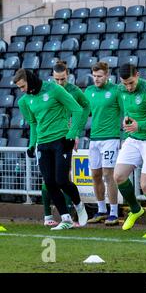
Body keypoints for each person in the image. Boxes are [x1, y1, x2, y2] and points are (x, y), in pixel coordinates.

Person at [15, 68, 88, 230]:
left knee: (61, 180)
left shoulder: (55, 89)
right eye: (19, 88)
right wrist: (31, 144)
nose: (22, 90)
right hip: (43, 143)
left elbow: (77, 109)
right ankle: (65, 218)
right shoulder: (24, 101)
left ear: (31, 80)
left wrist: (72, 134)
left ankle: (79, 205)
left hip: (61, 141)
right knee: (49, 182)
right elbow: (33, 123)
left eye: (23, 86)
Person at [113, 63, 146, 238]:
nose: (128, 87)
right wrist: (127, 120)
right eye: (125, 84)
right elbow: (126, 109)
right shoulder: (121, 90)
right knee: (119, 176)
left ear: (137, 75)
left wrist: (140, 125)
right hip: (134, 139)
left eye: (131, 83)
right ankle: (136, 210)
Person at [42, 61, 90, 227]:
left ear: (67, 76)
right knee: (49, 180)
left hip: (66, 137)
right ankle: (51, 215)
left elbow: (85, 107)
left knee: (63, 178)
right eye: (57, 80)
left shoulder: (75, 91)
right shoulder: (49, 89)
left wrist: (76, 131)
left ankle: (74, 212)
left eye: (62, 79)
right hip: (49, 139)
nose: (60, 83)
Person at [84, 62, 123, 226]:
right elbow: (85, 112)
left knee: (109, 175)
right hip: (94, 139)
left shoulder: (116, 90)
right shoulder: (89, 91)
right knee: (95, 175)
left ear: (107, 75)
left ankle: (114, 212)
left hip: (110, 138)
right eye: (94, 76)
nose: (96, 79)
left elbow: (125, 112)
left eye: (100, 76)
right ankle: (101, 210)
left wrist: (124, 135)